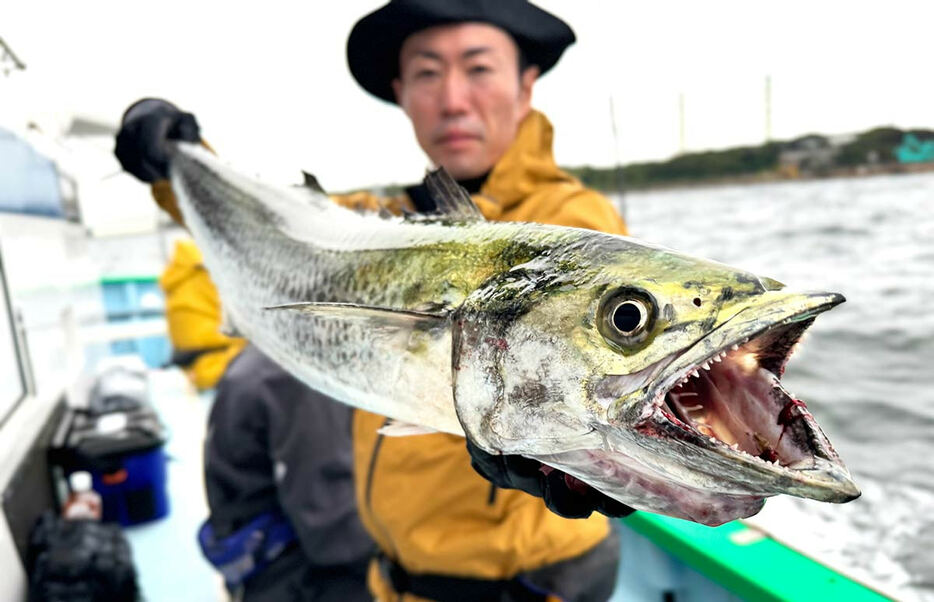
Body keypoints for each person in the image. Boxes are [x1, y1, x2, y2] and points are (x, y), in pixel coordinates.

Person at [114, 2, 636, 600]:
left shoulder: (575, 228)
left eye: (479, 69)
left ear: (526, 84)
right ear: (400, 91)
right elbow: (277, 232)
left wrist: (572, 457)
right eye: (427, 73)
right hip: (393, 576)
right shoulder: (389, 226)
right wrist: (175, 156)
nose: (453, 99)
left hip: (525, 584)